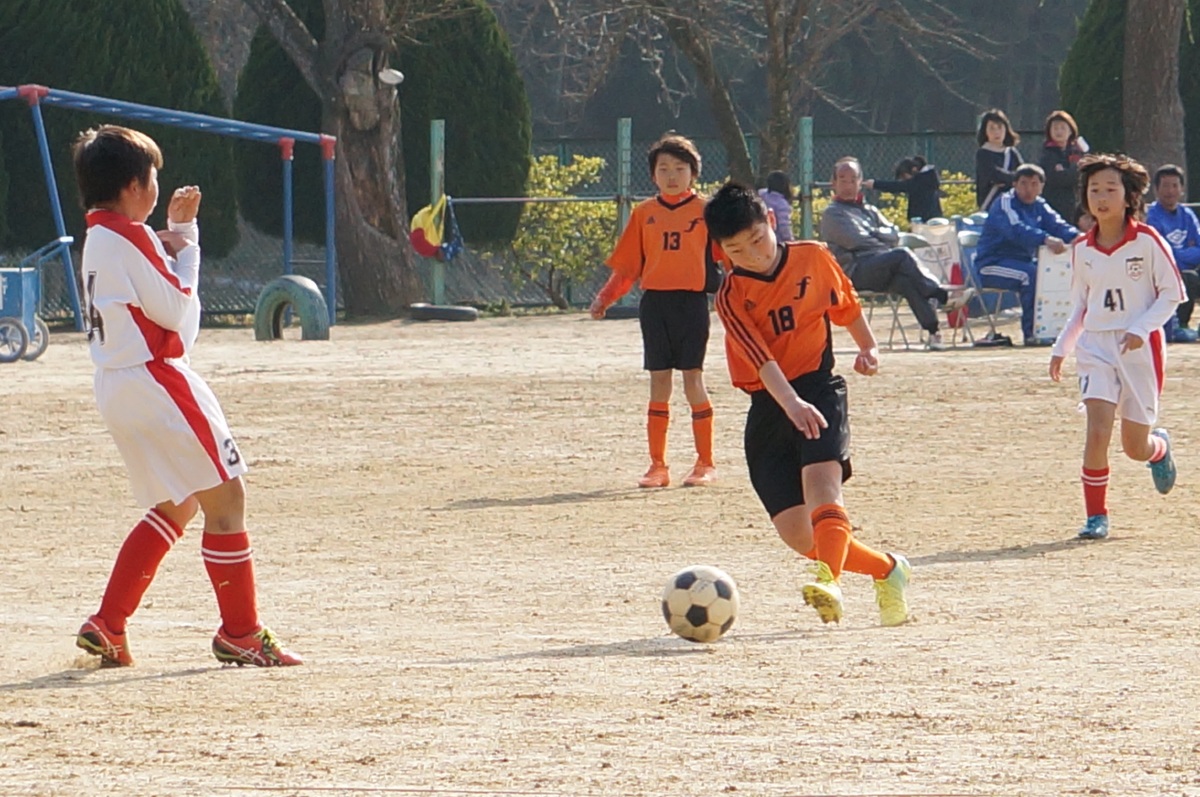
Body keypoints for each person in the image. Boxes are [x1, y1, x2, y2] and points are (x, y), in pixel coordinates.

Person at [71, 125, 302, 667]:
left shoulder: (98, 236)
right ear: (133, 186)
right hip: (156, 379)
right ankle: (241, 632)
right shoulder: (131, 235)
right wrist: (187, 242)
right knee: (228, 499)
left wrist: (168, 239)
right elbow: (180, 315)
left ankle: (108, 623)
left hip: (115, 383)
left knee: (177, 503)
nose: (157, 186)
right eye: (153, 177)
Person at [703, 181, 910, 627]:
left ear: (770, 222)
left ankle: (829, 582)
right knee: (799, 535)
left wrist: (869, 347)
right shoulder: (730, 296)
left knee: (822, 491)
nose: (753, 255)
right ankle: (889, 570)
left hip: (819, 390)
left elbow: (845, 305)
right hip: (770, 403)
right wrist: (789, 403)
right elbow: (761, 360)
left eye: (757, 239)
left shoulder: (813, 257)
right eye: (737, 250)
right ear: (722, 252)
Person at [1049, 153, 1185, 540]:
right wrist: (1062, 347)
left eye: (1111, 189)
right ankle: (1096, 516)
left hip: (1139, 349)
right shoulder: (1082, 248)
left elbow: (1172, 294)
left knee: (1134, 446)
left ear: (1128, 197)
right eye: (1094, 190)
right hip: (1095, 347)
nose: (1102, 197)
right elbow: (1081, 306)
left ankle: (1158, 450)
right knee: (1097, 430)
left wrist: (1141, 328)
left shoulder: (1148, 241)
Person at [590, 133, 721, 489]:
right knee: (659, 380)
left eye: (679, 168)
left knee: (693, 377)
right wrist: (605, 298)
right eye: (663, 169)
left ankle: (705, 462)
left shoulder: (707, 212)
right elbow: (628, 267)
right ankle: (657, 465)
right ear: (653, 175)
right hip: (656, 306)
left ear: (693, 173)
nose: (672, 175)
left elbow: (731, 257)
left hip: (692, 304)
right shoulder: (644, 213)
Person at [819, 156, 973, 351]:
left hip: (880, 265)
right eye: (842, 180)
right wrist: (881, 239)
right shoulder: (833, 213)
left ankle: (934, 332)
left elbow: (894, 234)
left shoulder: (870, 209)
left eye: (853, 179)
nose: (848, 185)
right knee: (901, 255)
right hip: (854, 272)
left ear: (860, 181)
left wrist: (874, 235)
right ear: (833, 183)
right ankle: (941, 295)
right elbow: (856, 241)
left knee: (905, 281)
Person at [974, 163, 1080, 346]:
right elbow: (1016, 229)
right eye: (1023, 183)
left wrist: (1078, 237)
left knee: (1050, 274)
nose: (1028, 189)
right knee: (1030, 276)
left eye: (1034, 184)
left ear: (1042, 186)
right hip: (992, 264)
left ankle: (1052, 329)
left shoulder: (1040, 205)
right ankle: (1032, 333)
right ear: (1014, 184)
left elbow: (1057, 224)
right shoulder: (1005, 203)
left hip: (1024, 262)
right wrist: (1045, 239)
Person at [1145, 164, 1200, 341]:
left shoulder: (1187, 214)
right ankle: (1180, 326)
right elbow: (1163, 252)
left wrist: (1182, 255)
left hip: (1186, 266)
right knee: (1188, 277)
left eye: (1175, 185)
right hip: (1162, 271)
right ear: (1156, 189)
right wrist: (1188, 254)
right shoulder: (1151, 216)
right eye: (1166, 186)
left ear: (1182, 189)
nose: (1170, 191)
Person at [1038, 110, 1089, 223]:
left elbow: (1085, 174)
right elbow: (1057, 178)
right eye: (1055, 128)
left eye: (1062, 128)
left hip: (1075, 206)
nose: (1059, 131)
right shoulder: (1048, 154)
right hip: (1054, 204)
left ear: (1070, 131)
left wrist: (1069, 171)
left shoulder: (1077, 152)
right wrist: (1075, 170)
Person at [864, 155, 943, 223]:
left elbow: (897, 186)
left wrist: (875, 184)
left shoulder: (920, 182)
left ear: (914, 170)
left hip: (924, 224)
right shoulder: (927, 180)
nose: (904, 180)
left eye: (904, 176)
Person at [975, 108, 1024, 211]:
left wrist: (1012, 179)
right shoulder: (983, 154)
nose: (996, 132)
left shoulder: (1011, 152)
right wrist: (1014, 179)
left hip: (1013, 203)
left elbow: (1023, 173)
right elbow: (994, 175)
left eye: (1000, 127)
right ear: (985, 131)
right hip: (992, 204)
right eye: (992, 128)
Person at [758, 170, 795, 242]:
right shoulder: (782, 204)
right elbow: (784, 226)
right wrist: (790, 240)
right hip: (776, 241)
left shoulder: (761, 195)